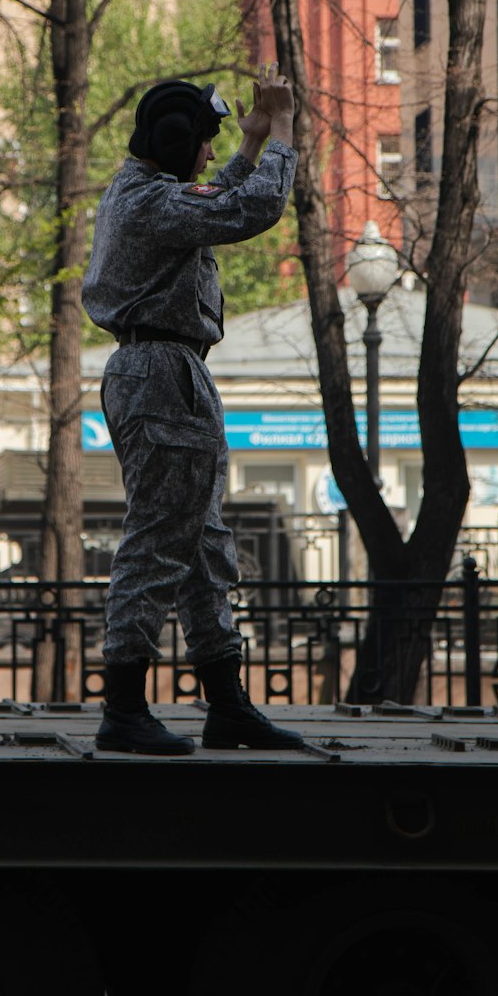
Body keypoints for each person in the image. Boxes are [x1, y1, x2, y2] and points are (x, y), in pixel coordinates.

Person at [82, 63, 305, 754]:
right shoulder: (150, 203)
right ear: (178, 143)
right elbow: (251, 209)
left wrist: (249, 145)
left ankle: (226, 704)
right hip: (161, 375)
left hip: (168, 372)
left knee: (203, 546)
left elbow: (213, 195)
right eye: (204, 144)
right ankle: (123, 708)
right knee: (157, 539)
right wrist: (285, 132)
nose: (208, 155)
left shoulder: (149, 192)